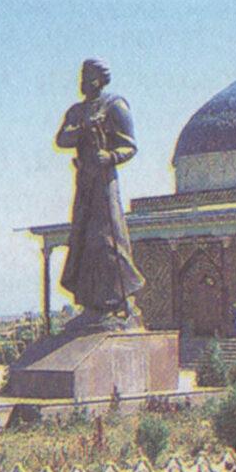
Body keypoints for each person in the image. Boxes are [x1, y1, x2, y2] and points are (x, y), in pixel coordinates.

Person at [56, 58, 145, 323]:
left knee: (107, 238)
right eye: (82, 75)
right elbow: (62, 139)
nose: (84, 81)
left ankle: (119, 299)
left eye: (89, 76)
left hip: (105, 181)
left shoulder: (114, 105)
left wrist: (111, 156)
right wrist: (83, 129)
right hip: (85, 180)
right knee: (83, 239)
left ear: (101, 79)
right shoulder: (77, 111)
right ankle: (91, 304)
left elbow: (130, 145)